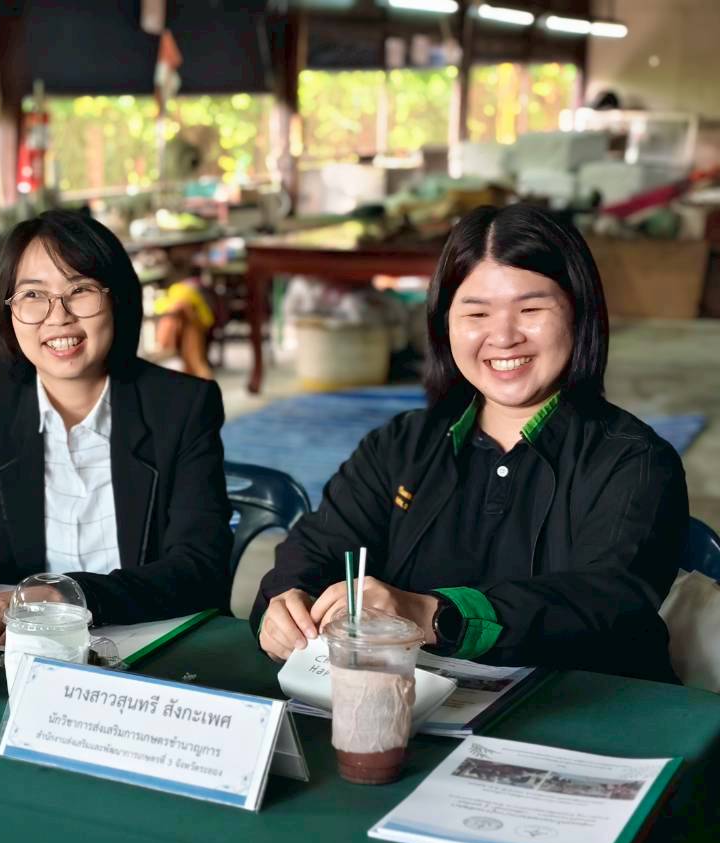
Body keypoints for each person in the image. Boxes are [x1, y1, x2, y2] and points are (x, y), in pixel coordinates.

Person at [252, 204, 688, 681]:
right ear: (445, 324)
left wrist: (433, 615)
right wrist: (287, 604)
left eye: (531, 309)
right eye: (477, 313)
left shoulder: (636, 461)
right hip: (415, 709)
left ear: (579, 313)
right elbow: (312, 553)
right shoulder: (399, 445)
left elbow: (607, 599)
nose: (503, 337)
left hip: (590, 712)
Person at [0, 210, 234, 637]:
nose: (58, 316)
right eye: (33, 295)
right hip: (15, 647)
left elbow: (200, 568)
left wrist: (63, 595)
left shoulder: (182, 405)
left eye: (79, 290)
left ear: (117, 299)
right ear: (8, 310)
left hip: (149, 642)